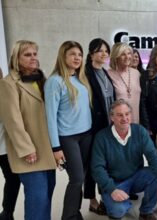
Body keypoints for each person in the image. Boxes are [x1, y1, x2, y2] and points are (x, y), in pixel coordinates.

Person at [0, 40, 57, 220]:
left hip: (46, 147)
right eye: (27, 54)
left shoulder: (42, 79)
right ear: (16, 58)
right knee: (37, 197)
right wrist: (26, 149)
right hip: (29, 150)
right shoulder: (9, 84)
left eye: (34, 54)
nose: (33, 58)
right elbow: (12, 121)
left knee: (48, 193)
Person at [91, 99, 157, 220]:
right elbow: (97, 168)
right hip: (114, 182)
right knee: (118, 210)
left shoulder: (139, 131)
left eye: (127, 114)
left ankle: (146, 211)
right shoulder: (102, 137)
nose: (125, 118)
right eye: (119, 115)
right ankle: (113, 202)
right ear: (112, 117)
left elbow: (152, 156)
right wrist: (112, 190)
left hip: (135, 176)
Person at [45, 41, 93, 220]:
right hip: (68, 138)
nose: (77, 58)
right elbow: (50, 117)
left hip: (86, 135)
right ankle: (69, 216)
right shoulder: (54, 82)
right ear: (62, 56)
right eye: (72, 54)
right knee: (76, 179)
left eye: (80, 55)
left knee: (82, 177)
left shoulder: (81, 79)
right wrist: (56, 148)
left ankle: (76, 211)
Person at [84, 38, 114, 215]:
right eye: (99, 51)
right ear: (91, 54)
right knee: (92, 164)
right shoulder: (86, 73)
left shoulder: (105, 71)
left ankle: (105, 196)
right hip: (94, 126)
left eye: (105, 51)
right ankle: (91, 200)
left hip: (108, 125)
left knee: (106, 163)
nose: (103, 54)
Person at [108, 42, 147, 127]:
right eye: (123, 54)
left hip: (136, 122)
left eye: (129, 53)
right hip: (119, 123)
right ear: (116, 56)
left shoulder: (136, 73)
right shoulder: (108, 74)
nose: (127, 57)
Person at [0, 66, 21, 220]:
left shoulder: (6, 90)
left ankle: (7, 212)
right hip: (4, 147)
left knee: (13, 179)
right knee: (12, 179)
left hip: (5, 148)